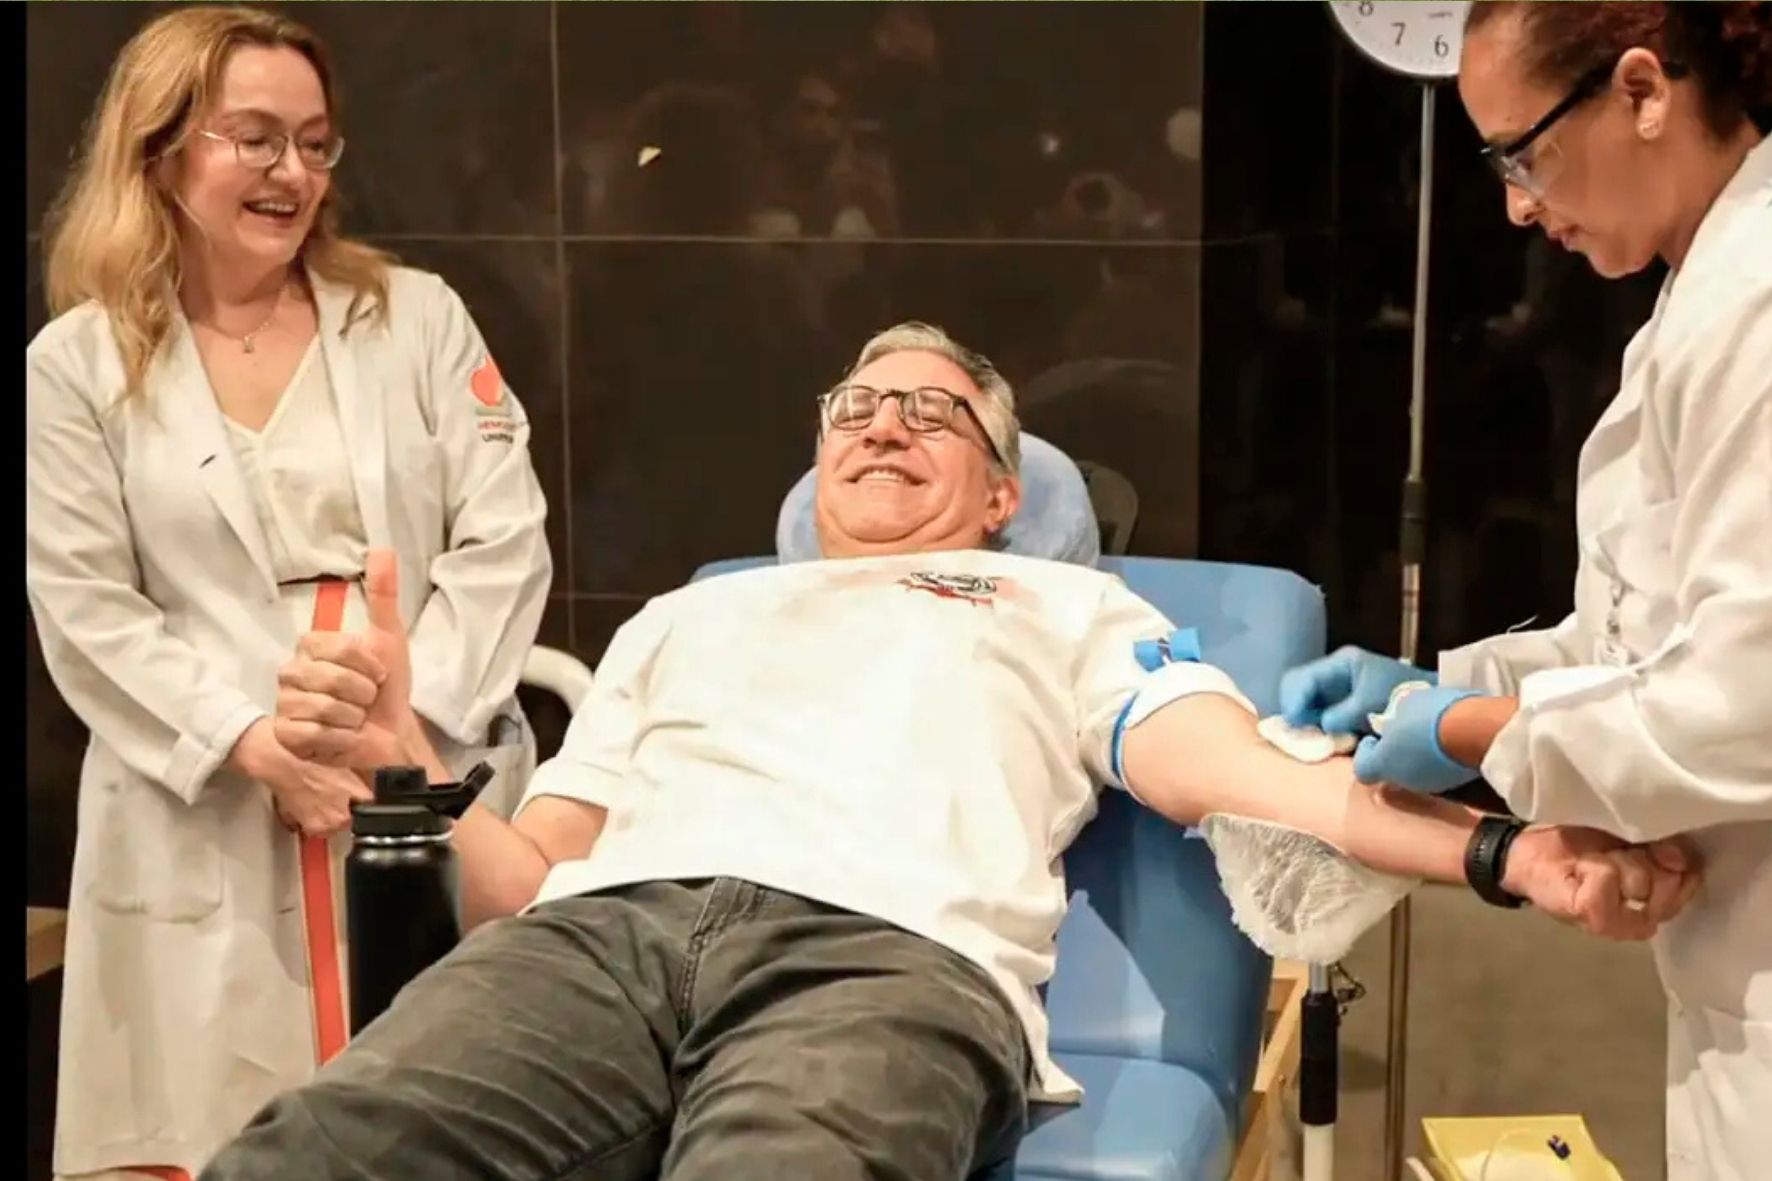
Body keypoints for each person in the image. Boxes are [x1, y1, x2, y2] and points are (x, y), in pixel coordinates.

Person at [201, 323, 1697, 1181]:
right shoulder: (687, 615)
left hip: (882, 962)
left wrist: (1510, 851)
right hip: (596, 944)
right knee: (314, 1149)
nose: (883, 426)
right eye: (857, 406)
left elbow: (1259, 777)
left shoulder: (1068, 606)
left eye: (935, 412)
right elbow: (529, 878)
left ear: (998, 494)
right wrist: (404, 759)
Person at [25, 7, 552, 1179]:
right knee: (212, 1133)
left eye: (314, 144)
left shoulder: (415, 317)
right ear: (161, 148)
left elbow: (504, 538)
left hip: (418, 771)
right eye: (255, 137)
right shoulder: (75, 364)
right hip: (204, 793)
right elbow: (85, 604)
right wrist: (256, 743)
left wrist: (400, 737)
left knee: (436, 1120)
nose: (292, 173)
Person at [1277, 5, 1770, 1179]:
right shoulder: (1699, 297)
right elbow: (1644, 634)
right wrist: (1447, 684)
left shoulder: (1757, 306)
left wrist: (1472, 728)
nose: (1514, 204)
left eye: (1521, 154)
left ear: (1640, 92)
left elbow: (1747, 696)